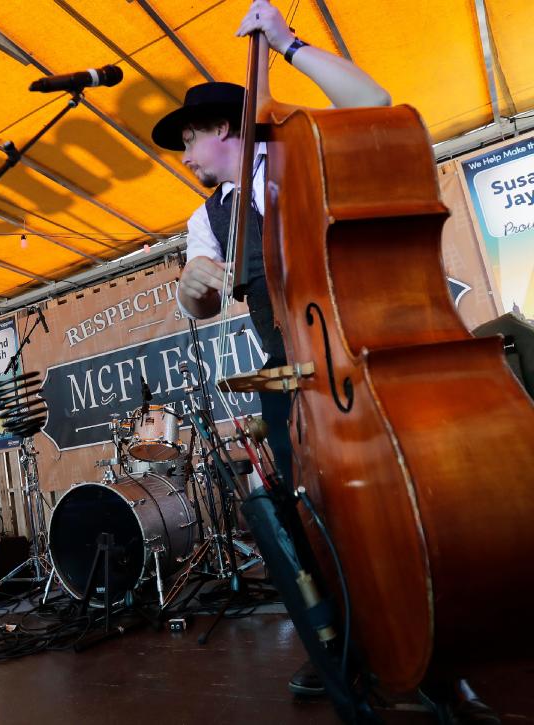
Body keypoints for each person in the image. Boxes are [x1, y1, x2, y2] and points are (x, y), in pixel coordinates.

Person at [154, 2, 500, 722]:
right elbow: (204, 297)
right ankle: (343, 640)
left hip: (364, 359)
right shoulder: (204, 216)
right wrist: (192, 287)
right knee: (315, 515)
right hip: (295, 378)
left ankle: (449, 644)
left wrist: (288, 43)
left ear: (219, 129)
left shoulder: (301, 145)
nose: (183, 159)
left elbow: (373, 103)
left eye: (187, 141)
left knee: (413, 506)